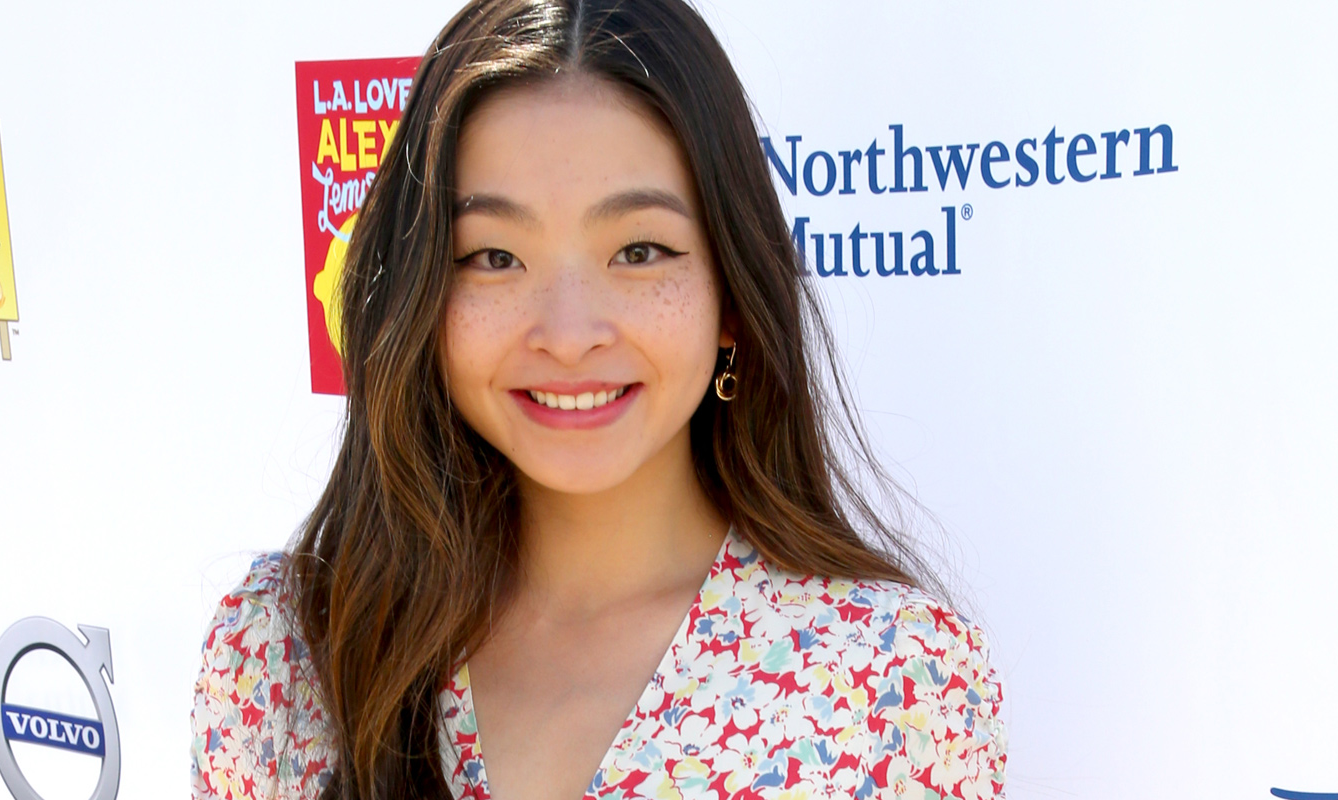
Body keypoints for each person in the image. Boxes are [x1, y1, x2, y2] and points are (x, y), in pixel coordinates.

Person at [190, 0, 1007, 797]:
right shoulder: (283, 655)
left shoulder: (893, 686)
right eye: (495, 257)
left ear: (730, 293)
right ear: (419, 294)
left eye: (639, 251)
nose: (569, 333)